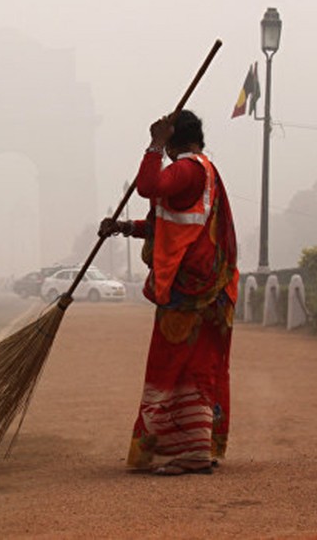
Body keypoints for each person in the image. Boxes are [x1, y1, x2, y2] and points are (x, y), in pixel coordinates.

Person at [99, 110, 238, 476]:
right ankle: (198, 447)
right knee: (199, 364)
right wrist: (126, 227)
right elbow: (170, 222)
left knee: (174, 366)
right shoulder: (202, 171)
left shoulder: (188, 169)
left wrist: (153, 146)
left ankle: (188, 452)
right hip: (208, 286)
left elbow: (148, 187)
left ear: (174, 138)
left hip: (190, 287)